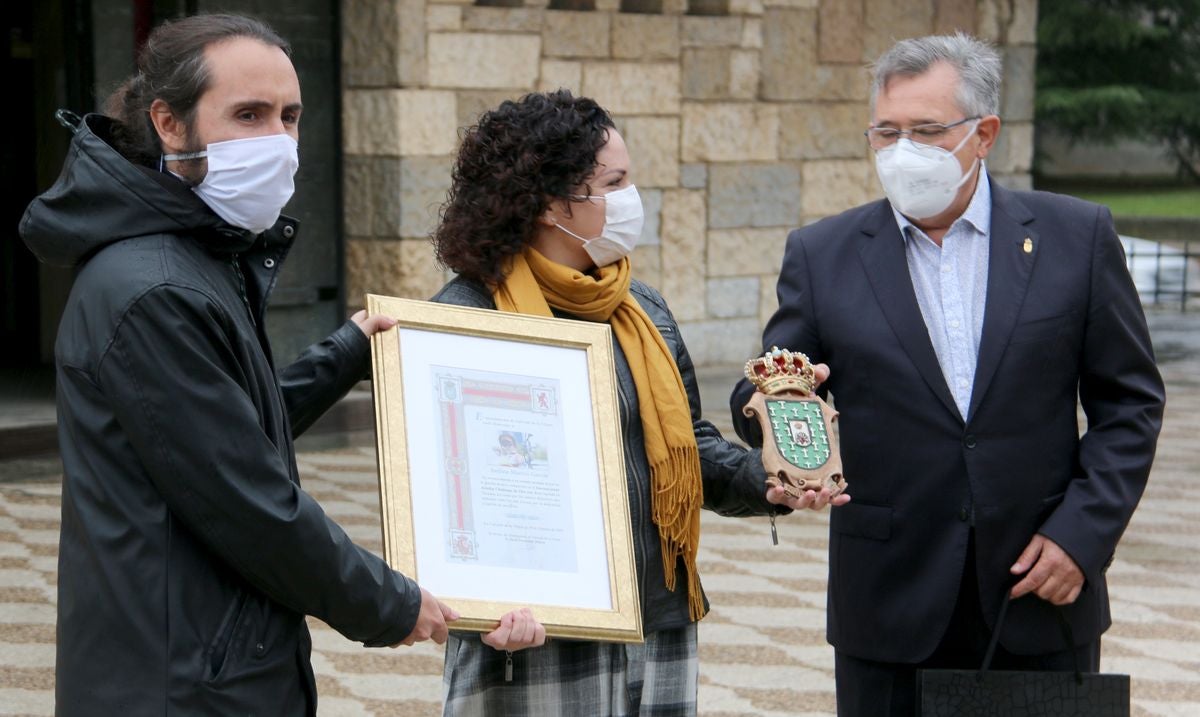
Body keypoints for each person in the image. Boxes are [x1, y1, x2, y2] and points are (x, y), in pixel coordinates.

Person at [18, 14, 536, 715]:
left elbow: (226, 428)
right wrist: (393, 602)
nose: (278, 141)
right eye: (248, 114)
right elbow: (247, 499)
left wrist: (344, 351)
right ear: (169, 123)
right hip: (180, 682)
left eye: (289, 116)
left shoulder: (190, 254)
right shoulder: (155, 286)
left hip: (203, 662)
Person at [730, 32, 1166, 716]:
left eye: (927, 130)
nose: (903, 151)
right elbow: (773, 380)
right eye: (886, 131)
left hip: (1040, 589)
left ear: (983, 133)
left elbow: (1130, 403)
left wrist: (1082, 535)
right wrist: (778, 402)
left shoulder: (1076, 238)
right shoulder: (823, 253)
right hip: (889, 602)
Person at [428, 89, 846, 715]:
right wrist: (479, 603)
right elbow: (443, 496)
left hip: (656, 616)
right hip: (535, 632)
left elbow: (690, 451)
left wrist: (769, 479)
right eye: (614, 182)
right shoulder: (468, 315)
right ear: (549, 202)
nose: (631, 200)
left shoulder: (641, 309)